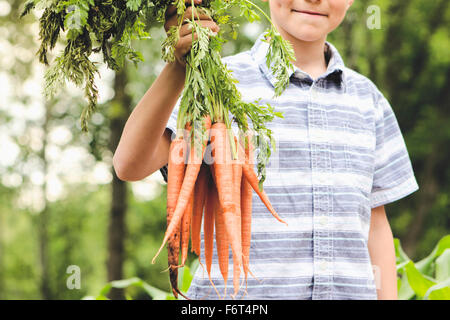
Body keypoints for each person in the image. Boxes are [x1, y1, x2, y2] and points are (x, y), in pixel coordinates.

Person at [112, 0, 419, 300]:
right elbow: (130, 165)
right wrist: (178, 68)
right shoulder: (215, 82)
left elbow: (376, 222)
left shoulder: (368, 100)